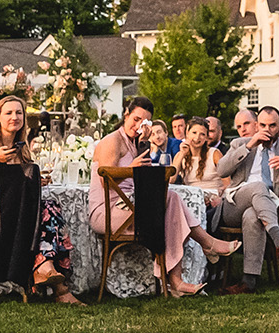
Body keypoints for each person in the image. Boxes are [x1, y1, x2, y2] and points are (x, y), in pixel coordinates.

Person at [89, 96, 238, 296]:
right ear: (126, 115)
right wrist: (131, 170)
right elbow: (105, 179)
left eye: (144, 122)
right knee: (169, 199)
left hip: (128, 208)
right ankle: (202, 248)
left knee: (171, 201)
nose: (138, 125)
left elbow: (142, 176)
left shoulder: (134, 142)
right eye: (135, 119)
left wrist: (143, 143)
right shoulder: (112, 141)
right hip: (107, 212)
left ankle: (179, 278)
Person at [0, 94, 77, 303]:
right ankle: (53, 280)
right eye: (9, 113)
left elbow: (14, 185)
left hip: (17, 214)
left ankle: (48, 274)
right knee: (49, 208)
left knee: (49, 208)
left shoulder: (22, 147)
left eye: (19, 112)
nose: (15, 117)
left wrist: (34, 181)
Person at [213, 105, 279, 293]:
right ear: (257, 126)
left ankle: (248, 281)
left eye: (272, 126)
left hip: (269, 208)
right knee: (258, 186)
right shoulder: (241, 143)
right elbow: (222, 170)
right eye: (263, 125)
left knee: (252, 216)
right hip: (234, 204)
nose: (267, 130)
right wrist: (249, 146)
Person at [171, 122, 224, 192]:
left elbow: (227, 182)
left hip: (212, 196)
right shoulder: (180, 155)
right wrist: (182, 154)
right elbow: (170, 180)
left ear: (206, 138)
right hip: (191, 196)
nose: (197, 137)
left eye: (202, 134)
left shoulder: (214, 153)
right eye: (194, 133)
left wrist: (218, 197)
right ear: (187, 133)